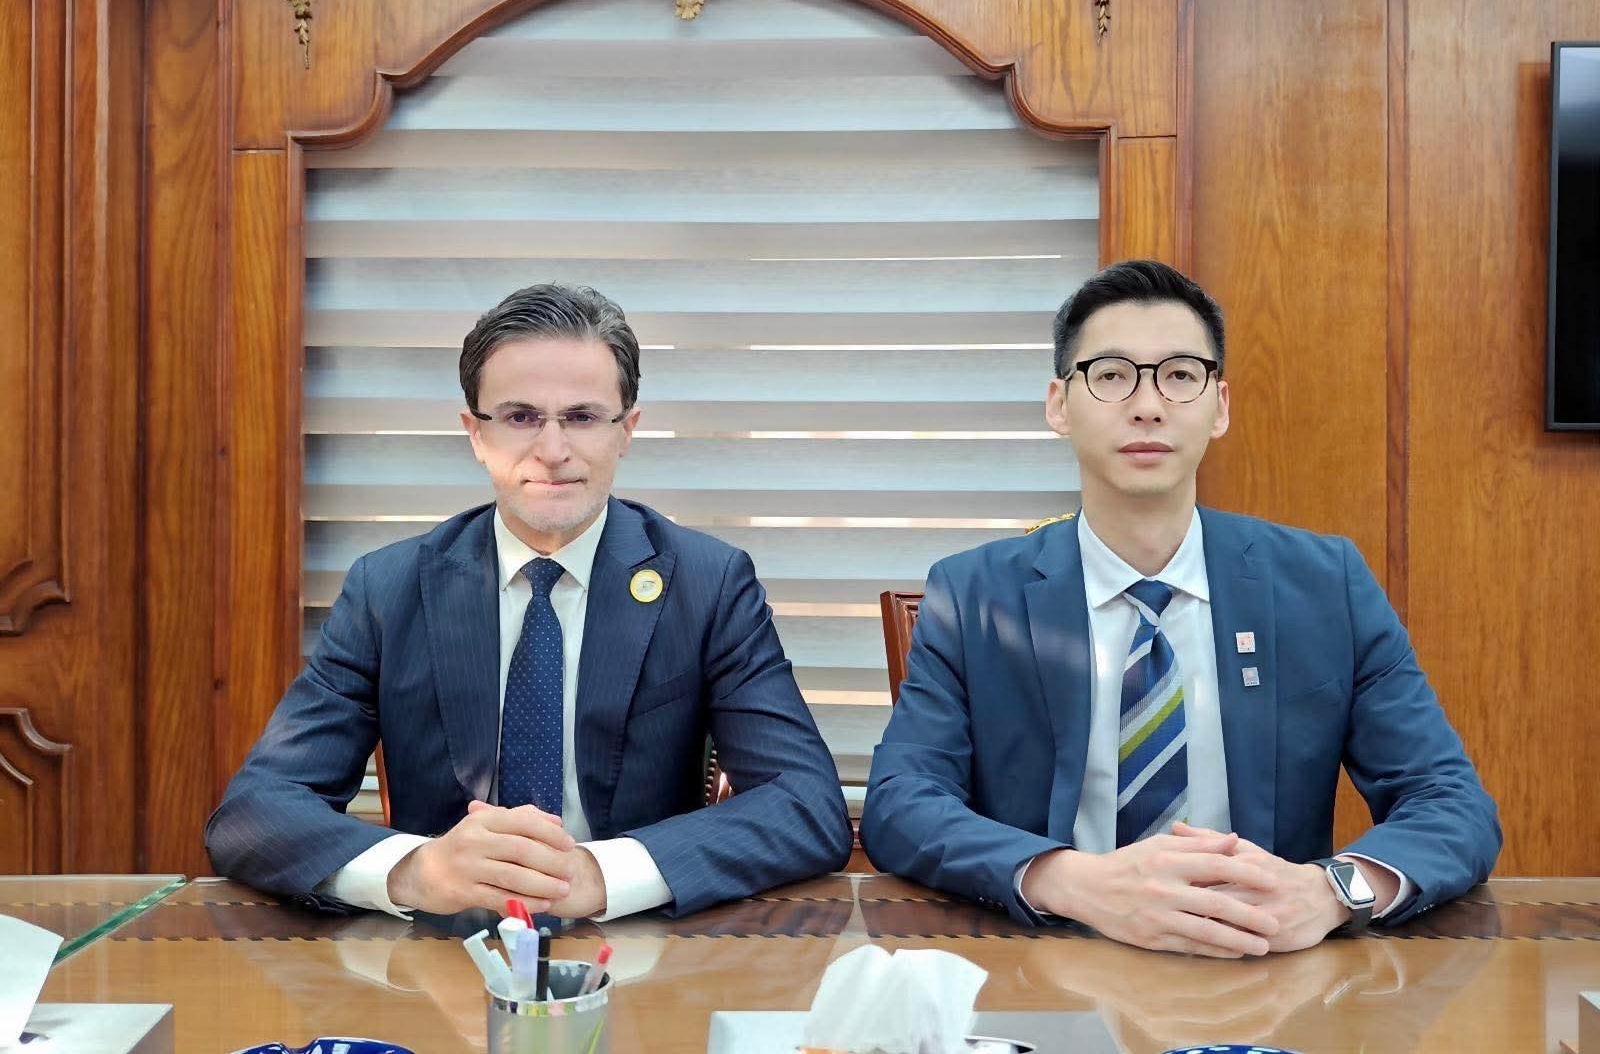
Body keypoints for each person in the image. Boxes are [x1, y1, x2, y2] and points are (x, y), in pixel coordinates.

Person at [860, 259, 1499, 956]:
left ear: (1219, 406)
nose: (1148, 405)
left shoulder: (1325, 584)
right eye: (1110, 375)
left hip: (1263, 961)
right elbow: (901, 802)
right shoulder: (975, 595)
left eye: (1180, 375)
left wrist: (1331, 891)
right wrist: (1070, 881)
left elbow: (1451, 804)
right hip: (1054, 960)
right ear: (1058, 404)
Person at [207, 284, 853, 920]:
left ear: (626, 431)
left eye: (582, 417)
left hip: (635, 944)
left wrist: (602, 874)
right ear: (475, 433)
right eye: (520, 417)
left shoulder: (708, 584)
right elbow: (254, 812)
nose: (552, 451)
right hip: (443, 951)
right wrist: (415, 871)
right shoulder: (389, 589)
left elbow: (806, 804)